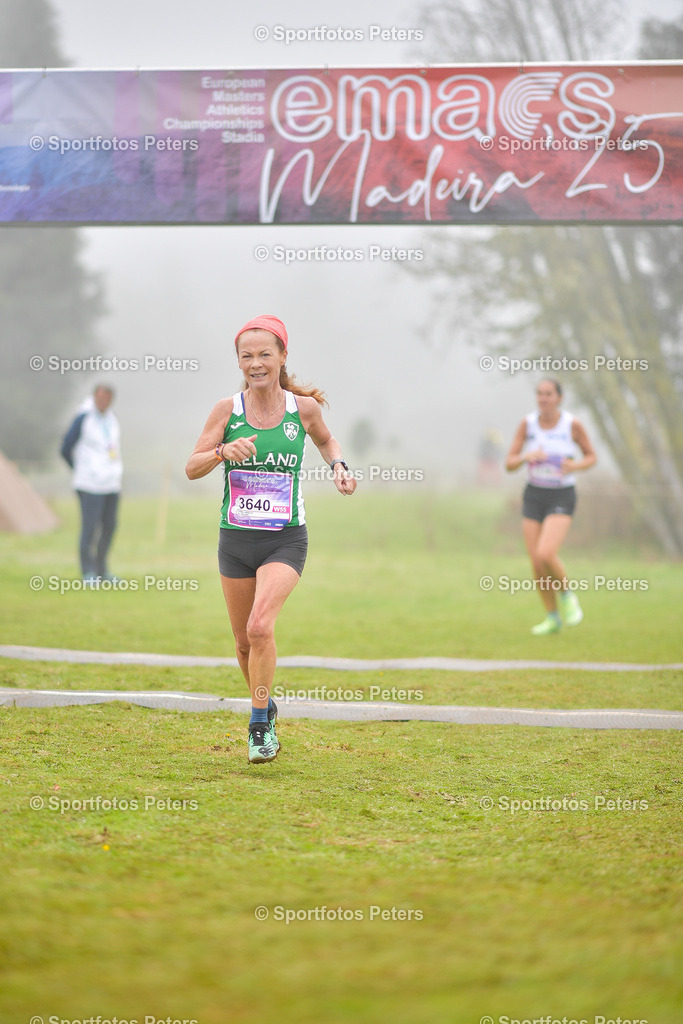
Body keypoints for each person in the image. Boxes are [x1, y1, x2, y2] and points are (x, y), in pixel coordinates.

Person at [185, 315, 357, 764]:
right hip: (235, 541)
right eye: (247, 356)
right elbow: (192, 466)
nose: (256, 363)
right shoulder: (227, 411)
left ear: (282, 357)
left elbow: (327, 441)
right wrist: (222, 451)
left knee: (260, 626)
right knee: (244, 644)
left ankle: (259, 725)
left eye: (265, 354)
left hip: (285, 539)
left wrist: (339, 466)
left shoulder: (304, 409)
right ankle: (266, 704)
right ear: (239, 362)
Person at [505, 378, 596, 635]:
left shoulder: (571, 424)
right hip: (534, 494)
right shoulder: (528, 424)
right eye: (540, 394)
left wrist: (574, 466)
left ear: (559, 398)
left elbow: (591, 457)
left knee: (546, 554)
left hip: (561, 495)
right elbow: (509, 463)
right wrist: (525, 457)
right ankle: (552, 617)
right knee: (536, 562)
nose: (543, 398)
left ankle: (567, 595)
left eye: (548, 394)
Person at [60, 384, 122, 582]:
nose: (102, 401)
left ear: (111, 400)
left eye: (106, 398)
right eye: (99, 397)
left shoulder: (111, 419)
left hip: (111, 483)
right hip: (89, 484)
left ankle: (102, 570)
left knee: (109, 527)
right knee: (90, 528)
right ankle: (88, 571)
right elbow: (65, 448)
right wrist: (80, 469)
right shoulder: (83, 418)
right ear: (94, 397)